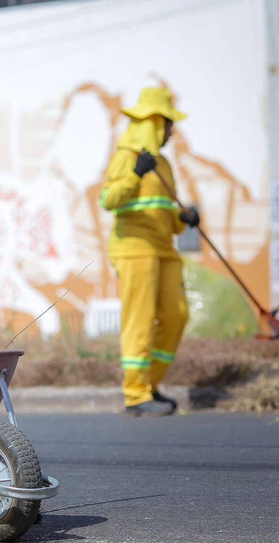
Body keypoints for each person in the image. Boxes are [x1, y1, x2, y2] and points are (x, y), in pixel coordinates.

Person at [100, 87, 199, 417]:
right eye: (168, 124)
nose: (172, 130)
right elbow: (109, 200)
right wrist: (134, 173)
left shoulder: (164, 164)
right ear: (154, 123)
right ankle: (135, 392)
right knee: (139, 320)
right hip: (133, 249)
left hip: (163, 249)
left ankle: (150, 383)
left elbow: (162, 212)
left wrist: (182, 219)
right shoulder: (127, 158)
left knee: (176, 314)